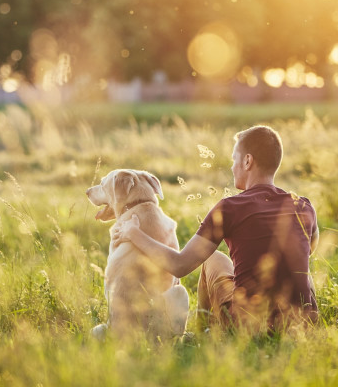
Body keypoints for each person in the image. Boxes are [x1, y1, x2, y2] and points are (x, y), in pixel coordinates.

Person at [113, 125, 319, 332]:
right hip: (302, 323)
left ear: (247, 161)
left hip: (249, 324)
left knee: (211, 259)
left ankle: (204, 335)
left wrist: (133, 233)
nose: (232, 167)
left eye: (234, 159)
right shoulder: (304, 206)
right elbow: (308, 251)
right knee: (302, 270)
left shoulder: (230, 207)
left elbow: (179, 265)